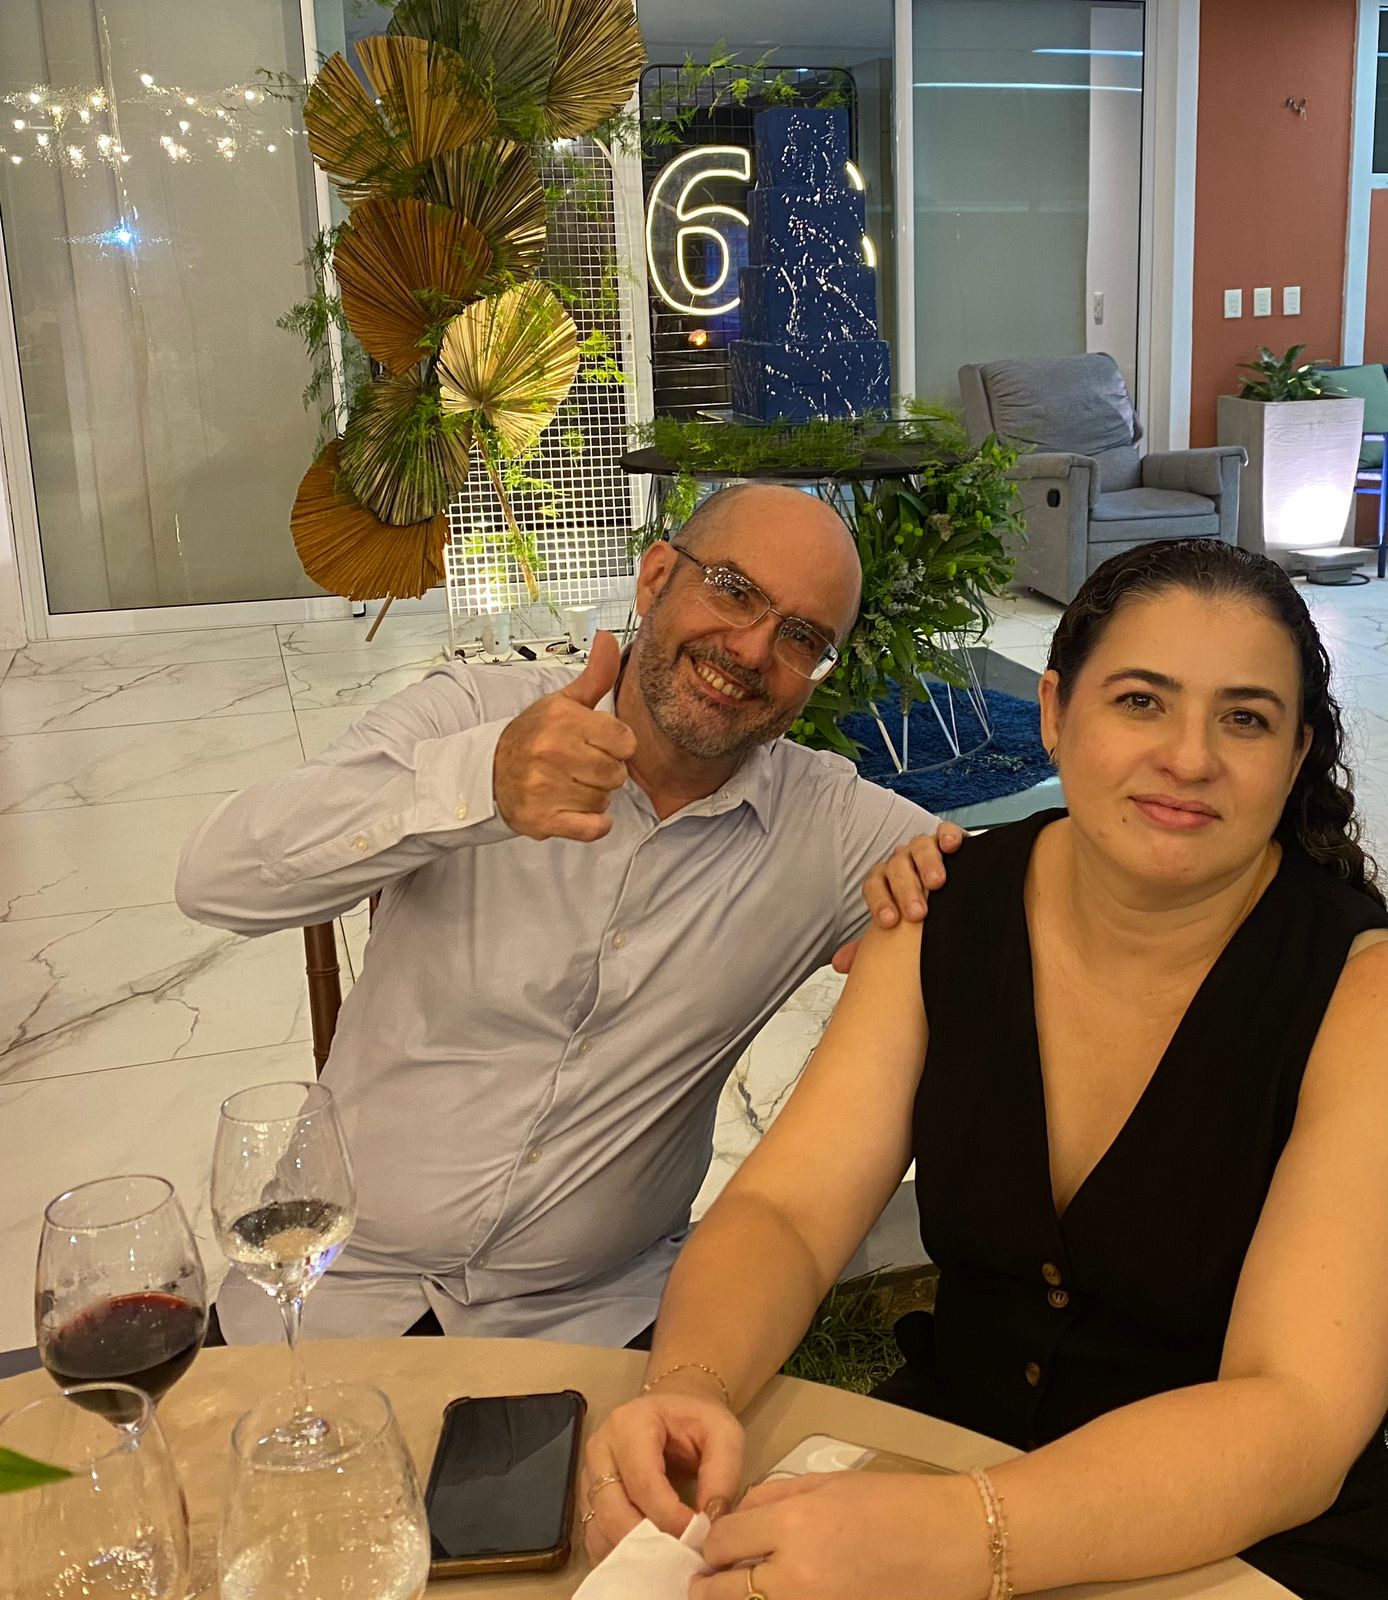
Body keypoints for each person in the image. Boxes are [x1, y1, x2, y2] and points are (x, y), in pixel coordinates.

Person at [581, 538, 1388, 1600]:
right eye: (1140, 701)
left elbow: (1295, 1411)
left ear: (1293, 754)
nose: (1189, 757)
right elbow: (789, 1208)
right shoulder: (940, 909)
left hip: (1236, 1537)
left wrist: (967, 1534)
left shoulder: (1360, 994)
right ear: (1054, 712)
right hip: (943, 1458)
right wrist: (691, 1384)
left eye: (1243, 718)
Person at [176, 483, 960, 1347]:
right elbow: (215, 879)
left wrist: (941, 899)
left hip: (595, 1317)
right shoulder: (473, 715)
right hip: (331, 1284)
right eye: (734, 590)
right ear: (655, 578)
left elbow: (1028, 891)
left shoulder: (829, 829)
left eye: (802, 637)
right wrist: (478, 784)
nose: (751, 649)